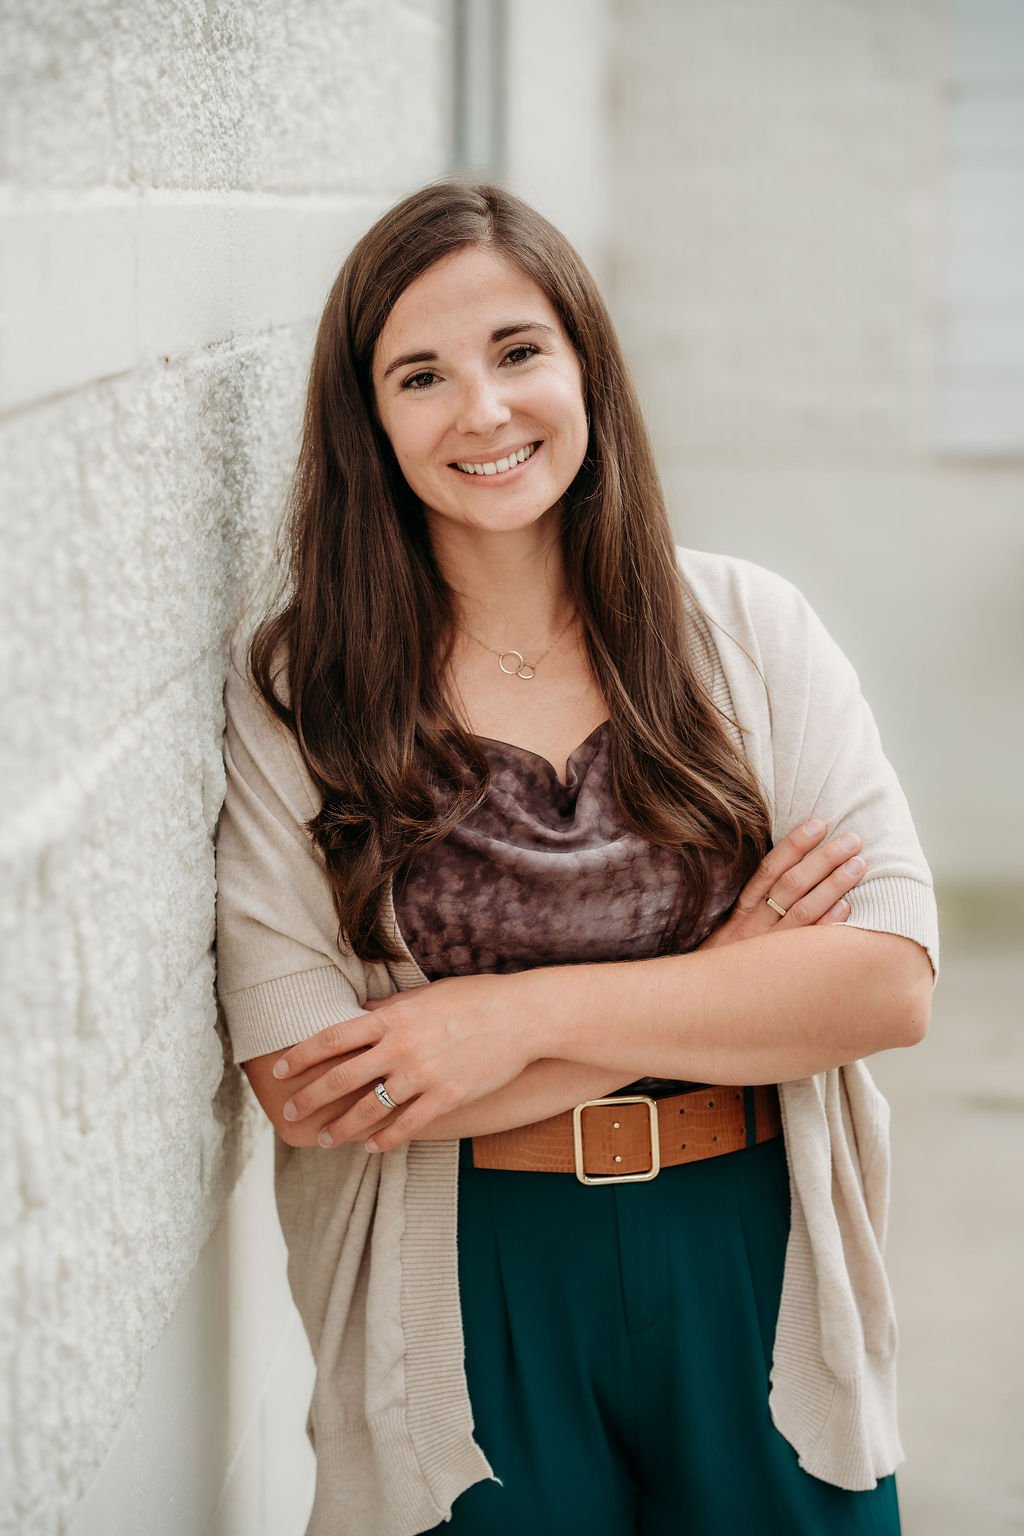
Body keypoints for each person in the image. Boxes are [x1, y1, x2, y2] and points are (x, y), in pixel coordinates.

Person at [214, 180, 938, 1536]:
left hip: (751, 1253)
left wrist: (510, 1018)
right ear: (368, 420)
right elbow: (316, 1088)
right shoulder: (308, 694)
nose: (483, 412)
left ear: (587, 367)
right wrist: (732, 981)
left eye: (518, 352)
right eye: (421, 375)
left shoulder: (748, 631)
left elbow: (886, 983)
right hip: (472, 1274)